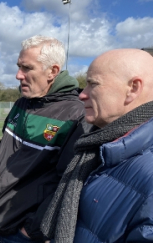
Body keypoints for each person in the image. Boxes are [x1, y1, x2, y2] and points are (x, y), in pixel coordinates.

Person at [0, 35, 88, 242]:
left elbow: (71, 183)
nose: (18, 75)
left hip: (25, 233)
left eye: (27, 68)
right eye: (18, 66)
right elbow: (6, 145)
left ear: (52, 71)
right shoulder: (23, 102)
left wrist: (34, 227)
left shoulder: (76, 115)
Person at [41, 49, 153, 242]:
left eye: (93, 84)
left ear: (133, 88)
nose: (82, 95)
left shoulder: (146, 172)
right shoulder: (97, 144)